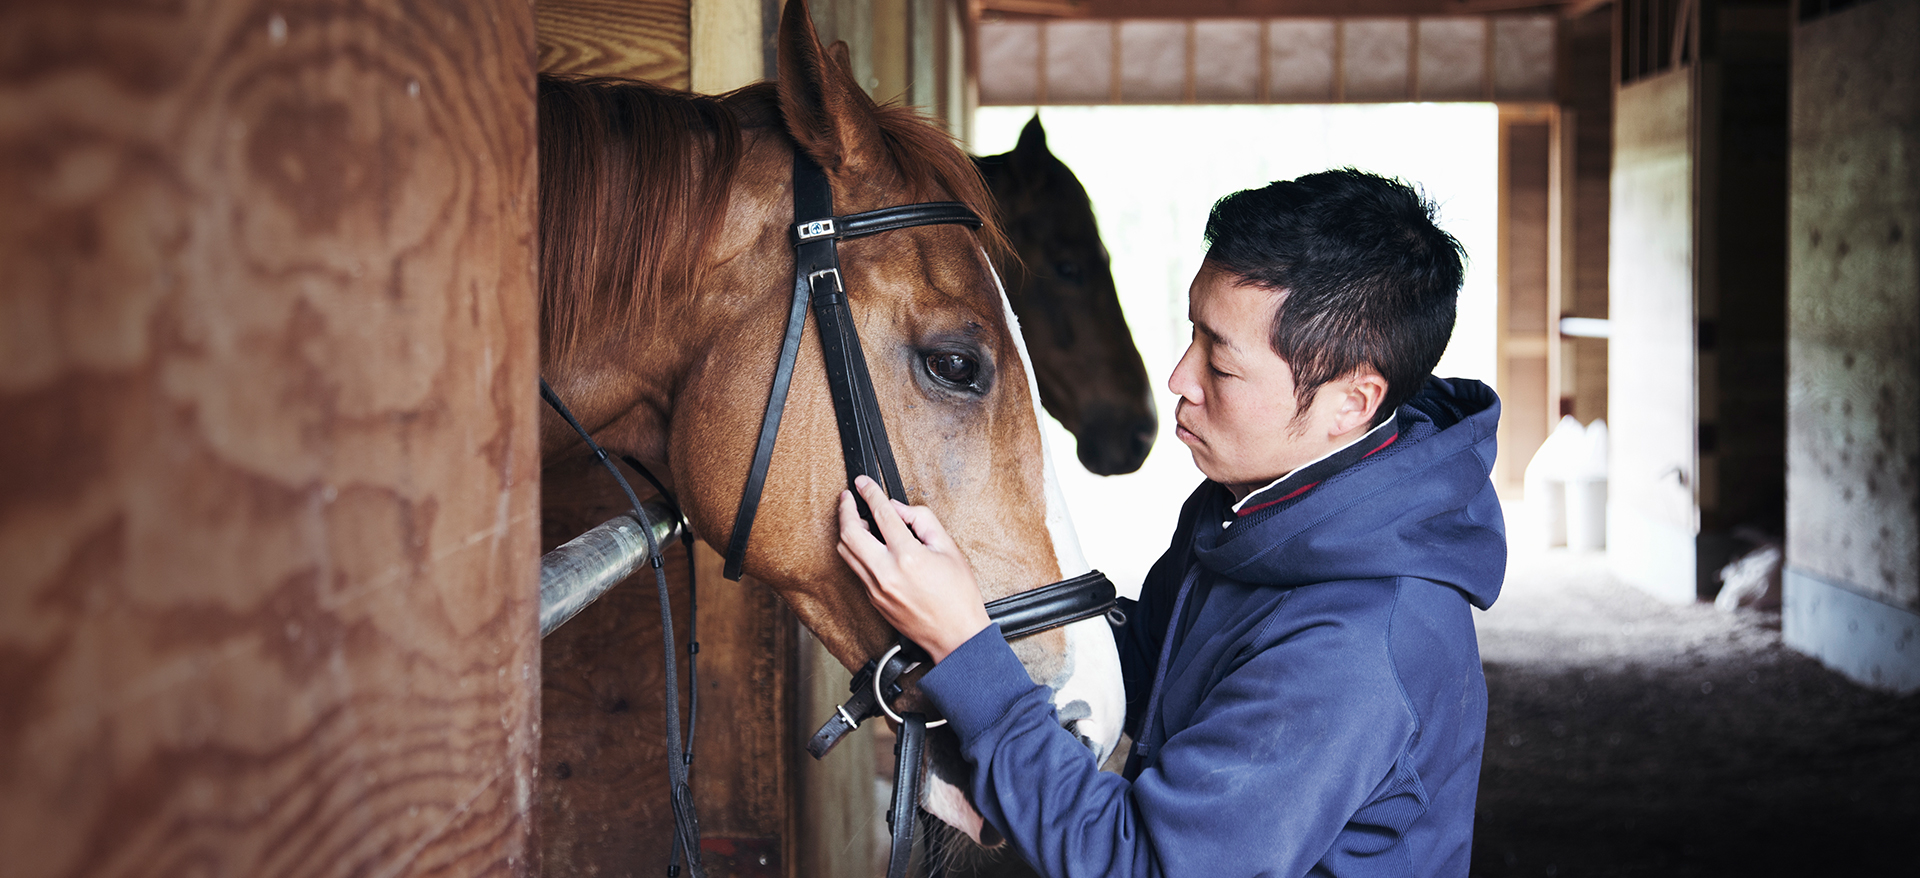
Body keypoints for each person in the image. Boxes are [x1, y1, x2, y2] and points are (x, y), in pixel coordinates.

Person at [836, 168, 1506, 878]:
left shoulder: (1357, 650)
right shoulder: (1265, 501)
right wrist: (978, 609)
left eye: (1221, 363)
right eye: (1193, 335)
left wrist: (968, 654)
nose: (1180, 378)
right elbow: (1156, 659)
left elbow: (1146, 863)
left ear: (1352, 401)